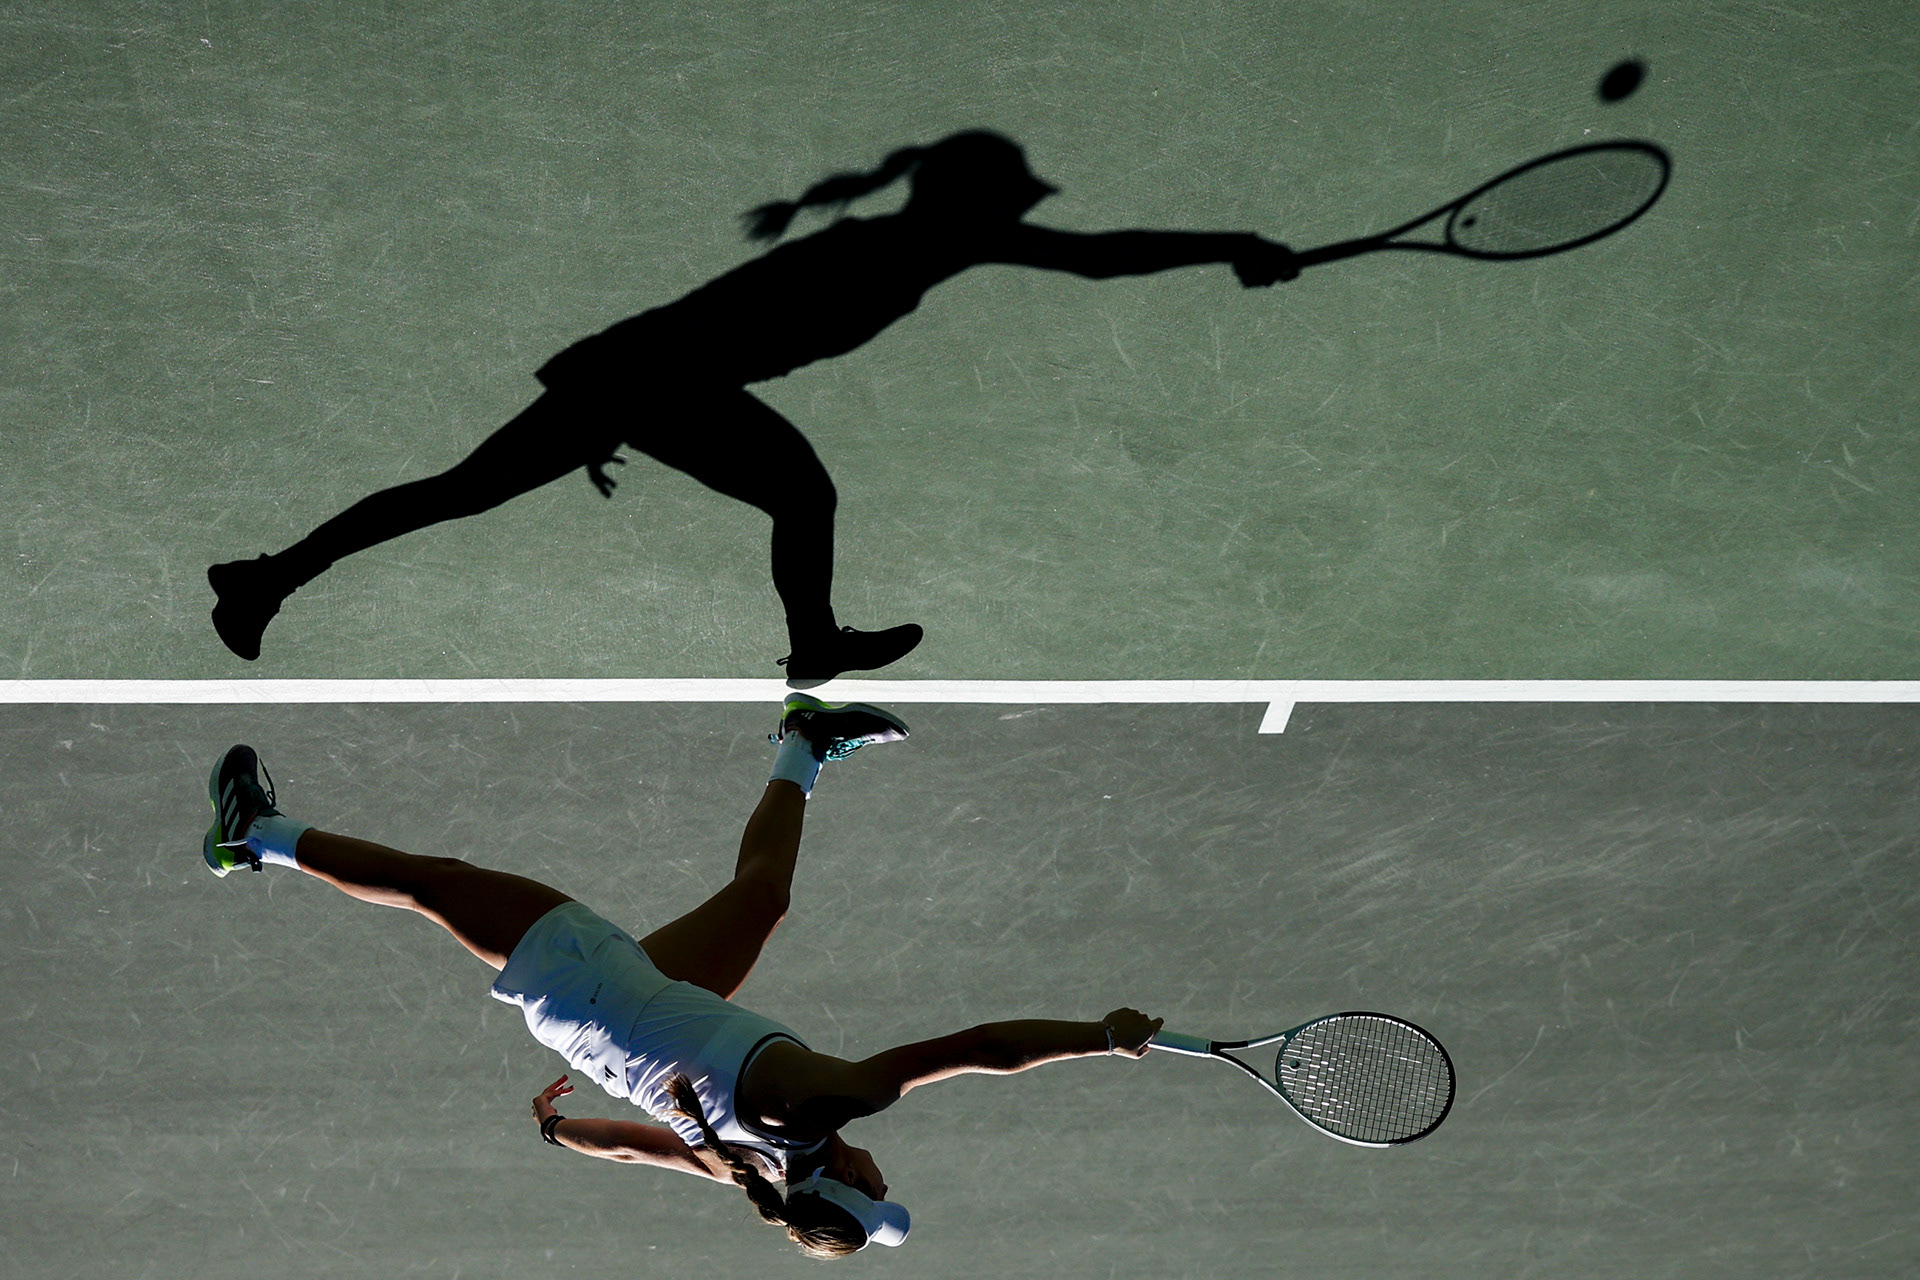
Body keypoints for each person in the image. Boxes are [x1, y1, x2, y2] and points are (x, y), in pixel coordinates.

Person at [207, 129, 1298, 682]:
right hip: (656, 377)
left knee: (467, 492)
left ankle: (266, 575)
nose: (1015, 212)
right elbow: (1100, 261)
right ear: (968, 200)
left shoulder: (906, 233)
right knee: (801, 492)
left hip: (645, 372)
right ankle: (814, 649)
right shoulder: (926, 238)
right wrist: (1235, 244)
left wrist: (610, 409)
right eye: (1006, 197)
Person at [201, 694, 1165, 1258]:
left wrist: (1103, 1037)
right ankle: (804, 737)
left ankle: (253, 837)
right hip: (642, 1010)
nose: (885, 1175)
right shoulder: (752, 1169)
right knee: (761, 900)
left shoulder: (824, 1108)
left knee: (431, 884)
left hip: (583, 981)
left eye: (878, 1193)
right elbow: (636, 1151)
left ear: (855, 1184)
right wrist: (555, 1131)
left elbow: (983, 1050)